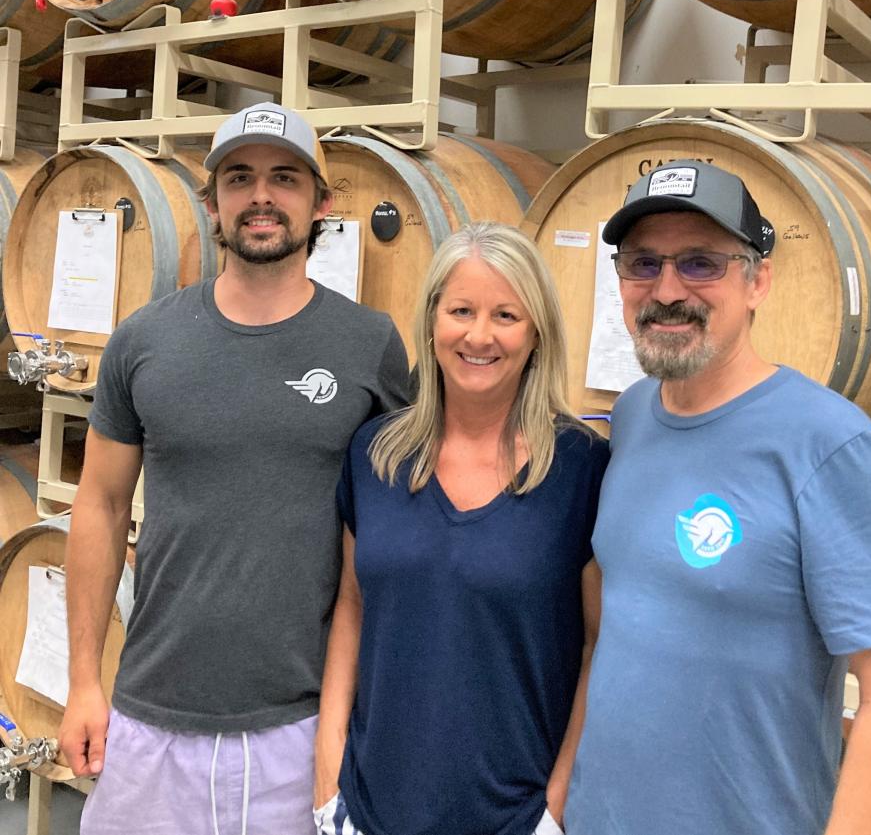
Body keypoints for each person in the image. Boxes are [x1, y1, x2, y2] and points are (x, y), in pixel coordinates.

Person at [61, 101, 411, 835]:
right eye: (240, 177)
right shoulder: (143, 341)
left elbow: (397, 531)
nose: (261, 196)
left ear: (321, 202)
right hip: (152, 713)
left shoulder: (369, 344)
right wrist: (82, 681)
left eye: (285, 178)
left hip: (301, 724)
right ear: (211, 201)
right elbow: (97, 505)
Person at [564, 160, 871, 835]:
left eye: (701, 263)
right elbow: (613, 636)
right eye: (643, 263)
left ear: (758, 279)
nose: (668, 289)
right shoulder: (635, 414)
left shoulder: (828, 444)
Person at [314, 221, 609, 835]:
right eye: (461, 310)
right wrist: (328, 769)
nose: (479, 335)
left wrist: (554, 807)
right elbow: (351, 606)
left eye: (506, 315)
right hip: (368, 811)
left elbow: (596, 647)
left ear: (537, 334)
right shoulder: (376, 454)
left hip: (515, 816)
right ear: (431, 321)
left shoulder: (580, 466)